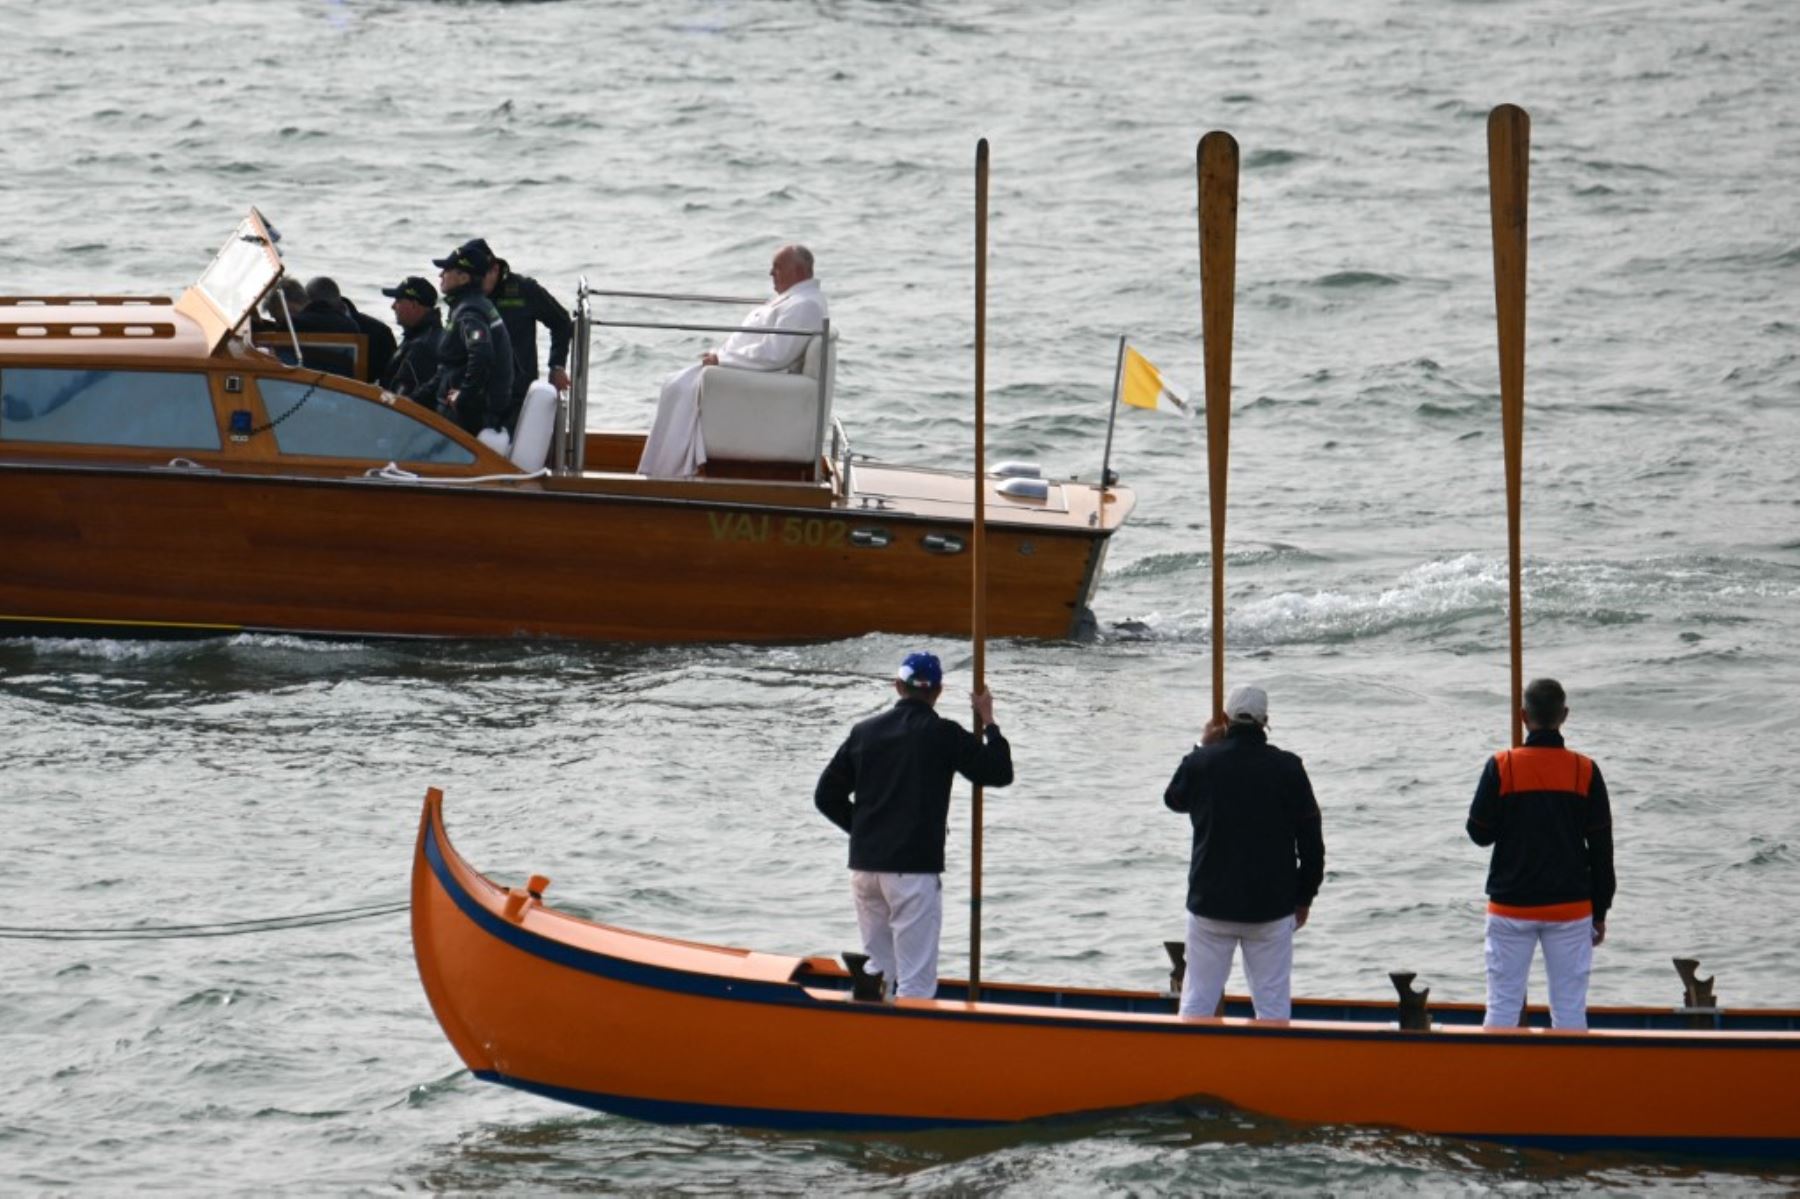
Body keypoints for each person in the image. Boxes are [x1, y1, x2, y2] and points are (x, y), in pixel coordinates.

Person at [814, 652, 1013, 1001]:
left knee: (880, 976)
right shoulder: (944, 734)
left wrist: (866, 833)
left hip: (865, 869)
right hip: (912, 873)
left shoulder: (864, 733)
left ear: (898, 687)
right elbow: (999, 772)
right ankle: (906, 1047)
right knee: (916, 985)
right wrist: (989, 721)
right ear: (937, 691)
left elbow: (825, 797)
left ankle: (872, 1028)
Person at [1163, 685, 1325, 1021]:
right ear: (1266, 722)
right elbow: (1311, 843)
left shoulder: (1203, 763)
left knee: (1197, 1001)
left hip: (1210, 903)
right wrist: (1305, 896)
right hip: (1271, 906)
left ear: (1225, 719)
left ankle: (1190, 1068)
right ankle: (1270, 1071)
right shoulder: (1289, 769)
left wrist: (1200, 746)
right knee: (1273, 1006)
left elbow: (1174, 799)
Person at [1467, 677, 1615, 1030]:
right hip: (1571, 907)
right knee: (1569, 1012)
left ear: (1522, 716)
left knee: (1501, 1008)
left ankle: (1499, 1081)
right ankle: (1568, 1083)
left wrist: (1512, 814)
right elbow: (1601, 851)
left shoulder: (1502, 766)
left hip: (1511, 904)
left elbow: (1479, 834)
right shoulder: (1585, 770)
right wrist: (1601, 909)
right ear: (1564, 715)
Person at [637, 243, 827, 478]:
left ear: (798, 272)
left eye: (777, 268)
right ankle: (665, 468)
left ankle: (669, 472)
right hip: (741, 369)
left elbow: (775, 354)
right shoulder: (795, 300)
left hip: (752, 375)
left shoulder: (805, 305)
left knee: (678, 386)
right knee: (675, 385)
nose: (770, 273)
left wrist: (722, 359)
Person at [421, 239, 516, 445]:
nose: (440, 275)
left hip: (469, 417)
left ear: (463, 277)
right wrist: (413, 400)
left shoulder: (469, 311)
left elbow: (482, 353)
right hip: (468, 411)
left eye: (447, 270)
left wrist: (464, 395)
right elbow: (446, 368)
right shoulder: (473, 305)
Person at [478, 246, 574, 406]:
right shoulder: (466, 295)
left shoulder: (524, 289)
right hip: (478, 391)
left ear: (495, 269)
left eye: (480, 276)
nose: (476, 282)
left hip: (517, 393)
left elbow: (561, 322)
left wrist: (556, 365)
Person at [377, 276, 444, 403]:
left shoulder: (421, 346)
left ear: (414, 305)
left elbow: (399, 400)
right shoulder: (422, 336)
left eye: (398, 301)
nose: (393, 306)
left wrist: (374, 397)